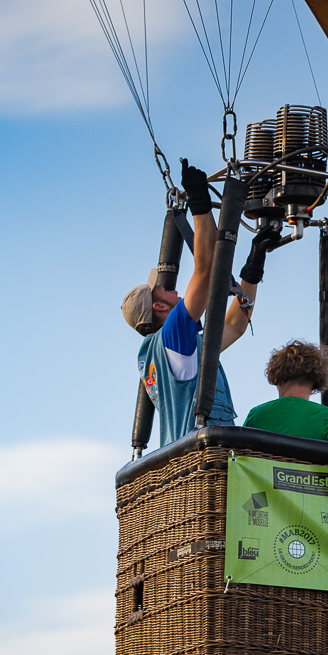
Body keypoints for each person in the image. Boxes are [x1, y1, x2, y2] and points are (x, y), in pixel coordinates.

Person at [122, 160, 277, 448]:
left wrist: (253, 268)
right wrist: (199, 203)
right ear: (158, 307)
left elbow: (235, 325)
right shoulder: (172, 335)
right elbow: (205, 270)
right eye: (163, 291)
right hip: (204, 457)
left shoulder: (180, 350)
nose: (174, 290)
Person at [243, 340, 328, 444]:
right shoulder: (327, 418)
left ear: (278, 379)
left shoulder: (257, 415)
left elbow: (235, 457)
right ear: (316, 385)